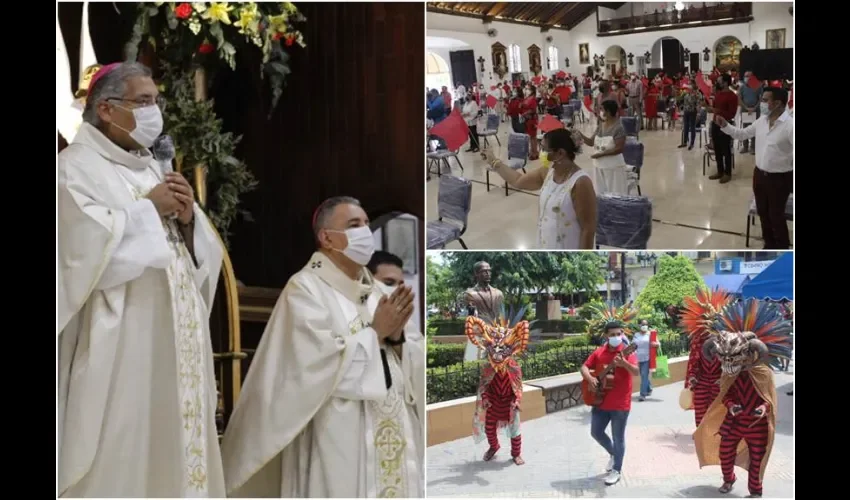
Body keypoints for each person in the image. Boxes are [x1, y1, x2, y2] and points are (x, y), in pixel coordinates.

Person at [58, 62, 226, 497]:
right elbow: (78, 254)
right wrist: (147, 210)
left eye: (157, 101)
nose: (155, 112)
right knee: (125, 455)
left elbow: (198, 257)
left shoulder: (152, 166)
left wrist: (189, 220)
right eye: (144, 102)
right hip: (123, 349)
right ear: (108, 109)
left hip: (177, 346)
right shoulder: (73, 169)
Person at [221, 197, 425, 497]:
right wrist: (376, 333)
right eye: (354, 225)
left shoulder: (378, 291)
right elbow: (309, 368)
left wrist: (397, 340)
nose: (365, 232)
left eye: (367, 224)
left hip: (392, 429)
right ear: (326, 237)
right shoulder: (305, 289)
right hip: (338, 437)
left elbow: (412, 353)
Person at [695, 299, 791, 498]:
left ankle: (755, 490)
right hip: (735, 421)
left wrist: (764, 408)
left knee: (757, 457)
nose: (728, 362)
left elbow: (769, 398)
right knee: (725, 451)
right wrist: (731, 405)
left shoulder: (763, 373)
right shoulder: (730, 373)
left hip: (757, 423)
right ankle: (728, 479)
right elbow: (726, 394)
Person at [484, 128, 597, 249]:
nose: (540, 152)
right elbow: (517, 181)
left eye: (544, 149)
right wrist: (494, 162)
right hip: (546, 242)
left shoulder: (580, 182)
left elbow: (588, 229)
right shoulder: (547, 172)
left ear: (560, 153)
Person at [715, 87, 794, 249]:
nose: (762, 103)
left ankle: (782, 248)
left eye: (765, 100)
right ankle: (769, 244)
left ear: (778, 103)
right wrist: (725, 126)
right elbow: (741, 134)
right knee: (763, 213)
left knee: (776, 216)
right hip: (759, 176)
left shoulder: (790, 125)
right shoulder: (761, 121)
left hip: (780, 179)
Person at [466, 313, 530, 466]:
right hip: (494, 403)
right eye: (494, 349)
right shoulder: (488, 368)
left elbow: (518, 387)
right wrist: (486, 399)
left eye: (502, 349)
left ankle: (516, 454)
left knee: (515, 432)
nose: (498, 355)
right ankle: (493, 447)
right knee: (489, 428)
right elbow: (484, 387)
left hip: (509, 403)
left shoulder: (514, 368)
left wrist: (517, 400)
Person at [580, 322, 639, 486]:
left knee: (618, 437)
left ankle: (617, 470)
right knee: (596, 432)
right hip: (599, 400)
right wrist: (590, 378)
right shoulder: (600, 352)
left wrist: (624, 363)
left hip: (620, 403)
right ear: (606, 336)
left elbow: (636, 371)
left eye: (618, 334)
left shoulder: (627, 351)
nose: (616, 337)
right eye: (612, 334)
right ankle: (614, 454)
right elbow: (584, 367)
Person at [680, 288, 731, 427]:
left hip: (719, 384)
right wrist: (692, 377)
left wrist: (725, 380)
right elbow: (693, 363)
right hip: (702, 383)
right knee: (701, 417)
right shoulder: (698, 340)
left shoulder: (728, 341)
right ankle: (701, 440)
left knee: (718, 416)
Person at [579, 100, 628, 194]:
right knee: (601, 194)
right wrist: (580, 135)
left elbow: (619, 149)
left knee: (615, 194)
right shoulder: (601, 126)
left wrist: (602, 154)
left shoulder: (618, 128)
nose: (600, 112)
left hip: (613, 168)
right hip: (599, 166)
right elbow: (591, 142)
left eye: (602, 109)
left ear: (608, 112)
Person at [462, 261, 505, 361]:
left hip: (496, 334)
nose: (488, 273)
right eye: (484, 271)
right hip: (479, 334)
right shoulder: (470, 294)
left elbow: (501, 315)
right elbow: (472, 315)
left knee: (499, 363)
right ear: (476, 274)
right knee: (473, 363)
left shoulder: (498, 293)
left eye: (489, 271)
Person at [707, 74, 738, 183]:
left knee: (726, 149)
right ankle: (719, 171)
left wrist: (716, 111)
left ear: (725, 82)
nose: (717, 83)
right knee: (717, 149)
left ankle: (727, 173)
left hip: (725, 125)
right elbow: (715, 108)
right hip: (715, 123)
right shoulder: (718, 94)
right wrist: (710, 109)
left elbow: (731, 114)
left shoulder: (732, 96)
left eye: (719, 81)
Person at [633, 320, 660, 401]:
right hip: (638, 358)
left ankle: (642, 394)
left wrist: (656, 344)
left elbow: (658, 343)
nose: (644, 325)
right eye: (643, 324)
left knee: (644, 375)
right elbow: (633, 344)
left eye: (646, 324)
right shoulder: (636, 335)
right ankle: (649, 388)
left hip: (647, 358)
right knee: (643, 375)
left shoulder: (651, 334)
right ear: (639, 325)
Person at [737, 71, 763, 154]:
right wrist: (746, 107)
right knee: (745, 128)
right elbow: (739, 99)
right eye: (745, 76)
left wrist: (754, 108)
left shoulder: (757, 86)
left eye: (748, 76)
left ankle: (753, 147)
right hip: (745, 109)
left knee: (754, 128)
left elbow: (761, 98)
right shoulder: (742, 87)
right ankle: (745, 146)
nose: (746, 78)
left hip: (755, 109)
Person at [678, 83, 700, 150]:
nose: (688, 89)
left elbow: (698, 104)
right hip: (686, 111)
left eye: (689, 88)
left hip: (693, 112)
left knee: (692, 127)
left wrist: (698, 113)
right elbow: (683, 102)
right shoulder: (686, 95)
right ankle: (685, 142)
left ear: (692, 89)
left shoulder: (696, 95)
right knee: (686, 127)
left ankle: (692, 143)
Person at [522, 85, 540, 159]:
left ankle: (535, 153)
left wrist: (525, 113)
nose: (526, 90)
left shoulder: (533, 99)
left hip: (532, 119)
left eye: (527, 89)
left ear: (532, 90)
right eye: (525, 88)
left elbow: (533, 110)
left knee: (533, 137)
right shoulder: (526, 98)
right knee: (529, 137)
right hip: (526, 120)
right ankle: (532, 151)